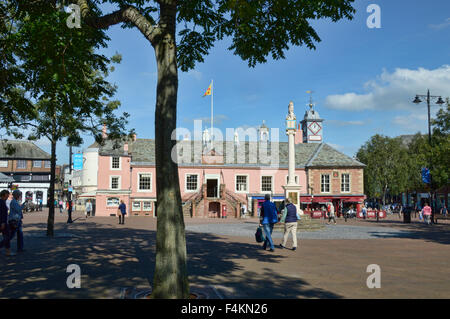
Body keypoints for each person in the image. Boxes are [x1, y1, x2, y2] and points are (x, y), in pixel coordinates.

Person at [0, 190, 12, 256]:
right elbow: (1, 213)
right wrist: (2, 222)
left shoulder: (3, 202)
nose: (8, 196)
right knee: (7, 237)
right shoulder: (1, 202)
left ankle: (8, 252)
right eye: (8, 194)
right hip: (3, 222)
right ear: (4, 194)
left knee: (7, 236)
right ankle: (8, 252)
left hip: (4, 222)